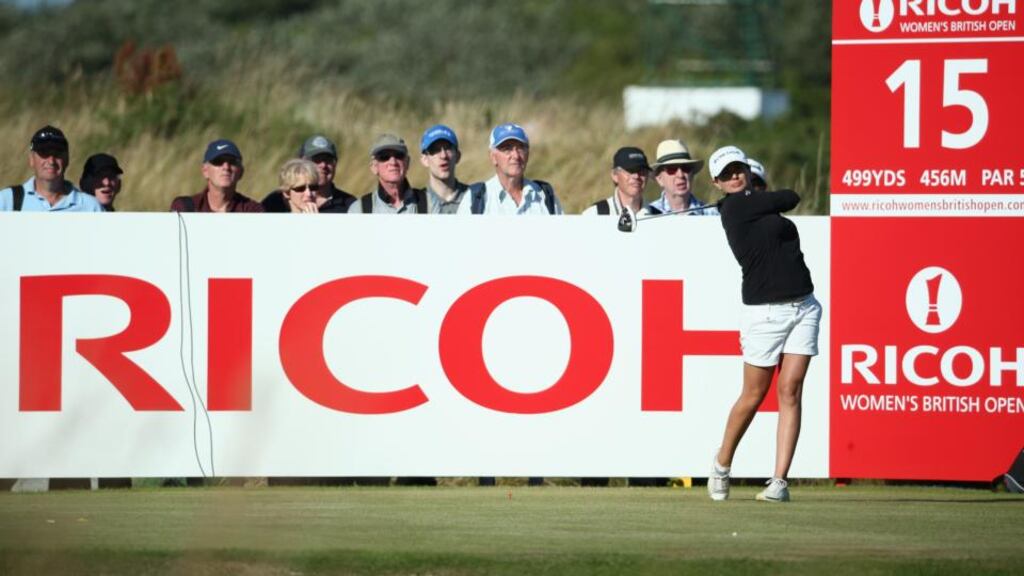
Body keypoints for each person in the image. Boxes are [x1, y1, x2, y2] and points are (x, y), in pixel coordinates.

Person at [707, 145, 821, 503]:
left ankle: (779, 482)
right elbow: (791, 195)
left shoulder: (753, 203)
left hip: (804, 306)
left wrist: (761, 193)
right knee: (754, 395)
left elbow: (785, 200)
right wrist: (760, 193)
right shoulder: (735, 208)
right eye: (727, 174)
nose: (735, 177)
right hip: (765, 314)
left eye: (739, 170)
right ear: (717, 183)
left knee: (790, 391)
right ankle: (722, 464)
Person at [457, 122, 563, 216]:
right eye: (507, 149)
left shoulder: (545, 196)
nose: (516, 155)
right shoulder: (475, 199)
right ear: (493, 157)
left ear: (528, 153)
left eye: (520, 148)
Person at [1, 125, 103, 213]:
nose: (51, 161)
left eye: (57, 153)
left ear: (67, 159)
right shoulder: (7, 201)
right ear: (31, 159)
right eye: (44, 153)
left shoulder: (91, 207)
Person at [262, 135, 356, 213]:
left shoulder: (351, 205)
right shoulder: (274, 202)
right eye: (316, 159)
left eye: (328, 160)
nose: (323, 165)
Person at [170, 139, 263, 212]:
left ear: (241, 172)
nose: (226, 167)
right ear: (205, 171)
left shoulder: (252, 211)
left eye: (232, 162)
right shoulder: (185, 208)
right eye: (218, 161)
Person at [348, 134, 427, 214]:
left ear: (407, 163)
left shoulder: (430, 204)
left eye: (398, 155)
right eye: (384, 157)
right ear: (374, 167)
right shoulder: (359, 210)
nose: (393, 162)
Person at [647, 139, 718, 216]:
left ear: (692, 175)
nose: (680, 175)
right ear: (659, 179)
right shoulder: (647, 215)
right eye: (672, 169)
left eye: (685, 168)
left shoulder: (712, 214)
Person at [419, 124, 469, 213]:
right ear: (425, 160)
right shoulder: (417, 203)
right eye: (435, 150)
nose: (443, 155)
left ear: (458, 156)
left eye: (448, 148)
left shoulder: (475, 199)